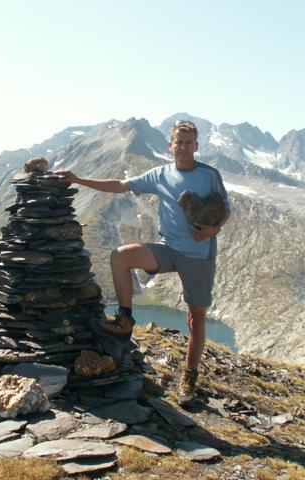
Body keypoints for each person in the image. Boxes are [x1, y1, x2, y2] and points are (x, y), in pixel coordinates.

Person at [57, 120, 230, 406]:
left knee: (195, 318)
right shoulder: (160, 174)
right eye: (179, 142)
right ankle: (125, 318)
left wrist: (214, 230)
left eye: (189, 142)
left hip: (199, 256)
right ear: (170, 145)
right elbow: (121, 185)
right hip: (168, 249)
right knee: (120, 257)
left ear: (196, 146)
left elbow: (224, 209)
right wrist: (77, 180)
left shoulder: (209, 175)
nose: (184, 147)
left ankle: (189, 378)